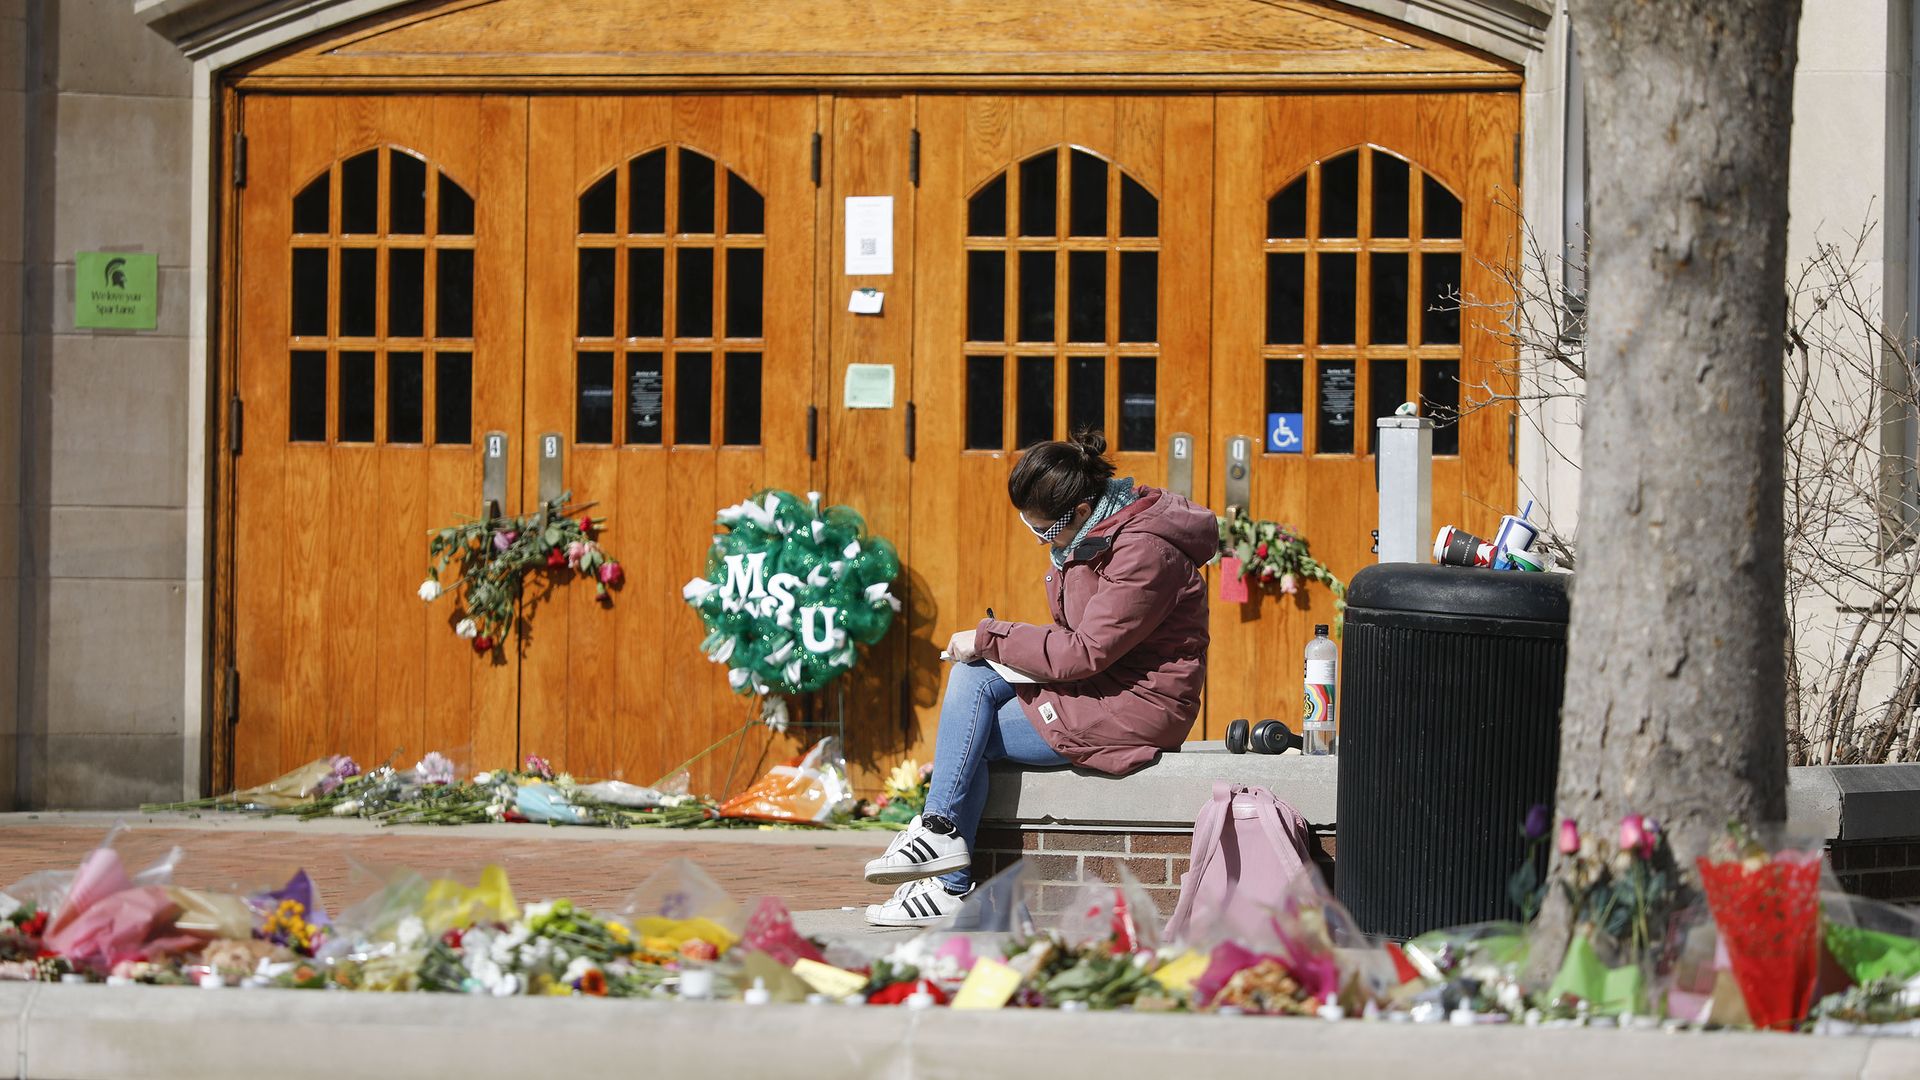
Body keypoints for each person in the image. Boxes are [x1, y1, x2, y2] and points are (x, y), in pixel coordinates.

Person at [863, 431, 1216, 926]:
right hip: (1100, 688)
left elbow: (1085, 651)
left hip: (1138, 705)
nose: (1040, 542)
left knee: (976, 725)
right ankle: (940, 842)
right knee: (974, 677)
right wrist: (993, 647)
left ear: (1081, 509)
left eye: (1045, 532)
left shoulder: (1143, 553)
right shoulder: (1101, 533)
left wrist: (991, 636)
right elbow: (1081, 644)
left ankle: (946, 870)